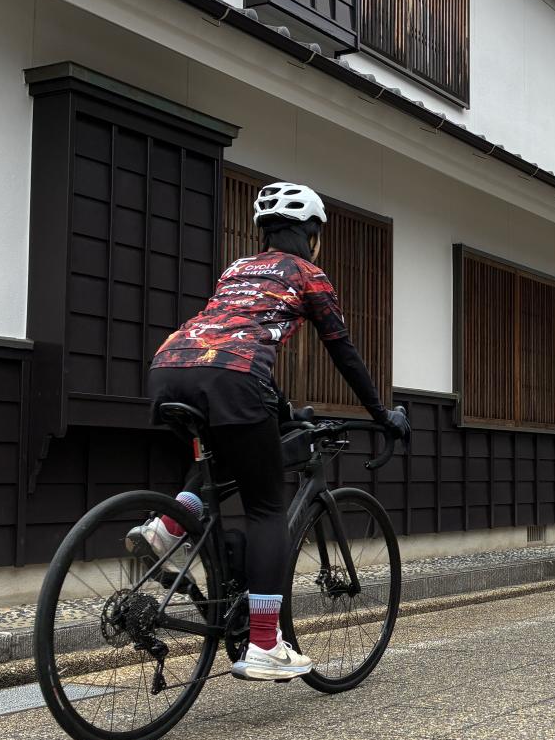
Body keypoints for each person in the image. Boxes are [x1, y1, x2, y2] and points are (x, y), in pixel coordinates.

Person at [128, 181, 407, 681]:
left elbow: (234, 336)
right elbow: (342, 351)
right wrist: (382, 414)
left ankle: (168, 526)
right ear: (312, 232)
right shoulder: (307, 273)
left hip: (169, 369)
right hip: (233, 380)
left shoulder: (237, 270)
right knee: (265, 507)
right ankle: (263, 644)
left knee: (229, 454)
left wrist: (281, 411)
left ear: (264, 232)